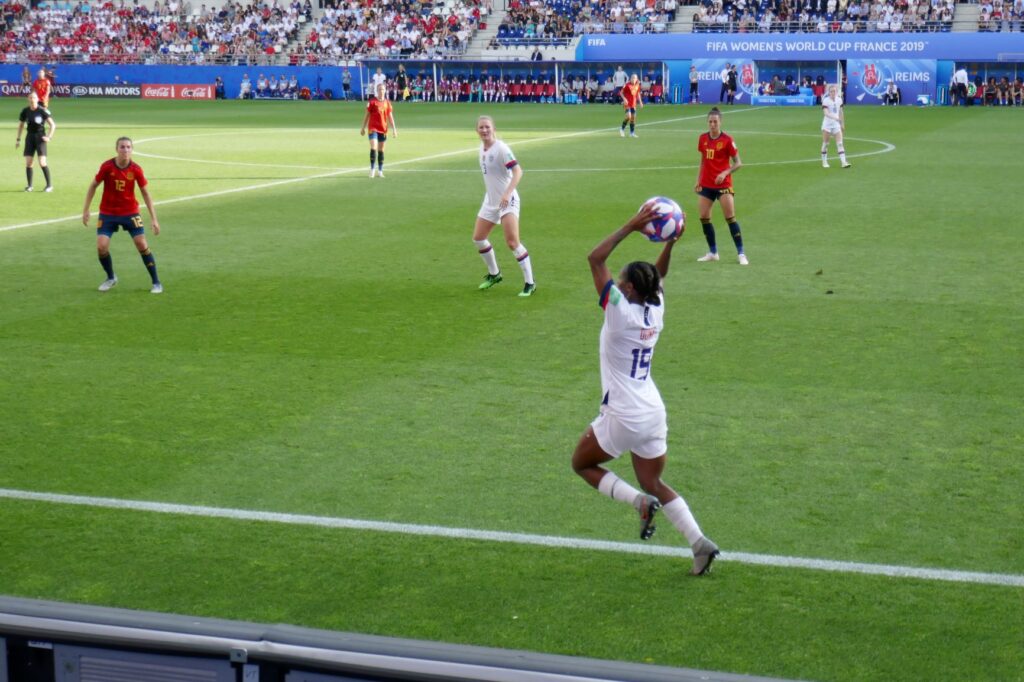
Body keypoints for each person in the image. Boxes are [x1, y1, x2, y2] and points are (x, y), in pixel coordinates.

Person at [571, 206, 720, 576]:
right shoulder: (656, 308)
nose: (617, 282)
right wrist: (669, 244)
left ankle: (639, 502)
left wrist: (631, 226)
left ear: (630, 290)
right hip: (653, 410)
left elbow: (594, 258)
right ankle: (700, 544)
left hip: (623, 413)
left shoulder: (619, 312)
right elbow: (660, 276)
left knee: (582, 464)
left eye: (622, 281)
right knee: (654, 480)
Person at [81, 137, 162, 294]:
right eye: (122, 147)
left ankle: (156, 282)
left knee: (141, 244)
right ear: (116, 149)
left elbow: (145, 193)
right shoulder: (107, 167)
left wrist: (154, 219)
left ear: (132, 149)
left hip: (130, 212)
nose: (125, 150)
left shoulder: (136, 170)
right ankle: (111, 277)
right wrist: (86, 210)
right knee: (101, 246)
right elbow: (93, 186)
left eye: (128, 147)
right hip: (108, 213)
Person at [472, 116, 535, 297]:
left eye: (487, 127)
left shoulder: (501, 148)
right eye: (481, 128)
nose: (484, 130)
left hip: (508, 200)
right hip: (491, 201)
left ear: (494, 128)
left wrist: (507, 193)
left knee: (512, 242)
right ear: (477, 131)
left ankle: (530, 283)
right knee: (478, 238)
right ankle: (495, 274)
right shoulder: (481, 149)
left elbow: (518, 171)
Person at [694, 107, 748, 265]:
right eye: (710, 122)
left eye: (715, 122)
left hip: (723, 185)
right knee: (704, 217)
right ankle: (713, 252)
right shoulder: (702, 138)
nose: (712, 125)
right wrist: (698, 180)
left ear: (720, 122)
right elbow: (703, 160)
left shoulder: (727, 140)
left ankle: (741, 253)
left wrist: (725, 173)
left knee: (730, 218)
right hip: (706, 184)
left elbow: (739, 163)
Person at [16, 92, 55, 192]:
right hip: (29, 137)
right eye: (30, 97)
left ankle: (49, 185)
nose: (32, 99)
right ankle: (29, 186)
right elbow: (20, 125)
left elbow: (53, 125)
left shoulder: (42, 111)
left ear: (37, 99)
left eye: (34, 97)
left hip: (40, 137)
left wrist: (49, 137)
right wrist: (18, 139)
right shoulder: (25, 111)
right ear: (28, 99)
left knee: (42, 162)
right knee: (29, 163)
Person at [360, 83, 397, 178]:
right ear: (377, 91)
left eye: (383, 89)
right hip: (373, 128)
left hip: (383, 129)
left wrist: (394, 129)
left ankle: (380, 171)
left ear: (385, 90)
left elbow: (390, 117)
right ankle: (372, 169)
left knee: (381, 150)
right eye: (380, 89)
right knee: (374, 147)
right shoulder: (372, 102)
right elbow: (366, 115)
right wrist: (363, 127)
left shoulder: (387, 103)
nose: (381, 91)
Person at [821, 84, 851, 169]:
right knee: (826, 144)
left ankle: (844, 162)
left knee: (840, 143)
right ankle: (824, 161)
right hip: (827, 125)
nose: (833, 93)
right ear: (829, 92)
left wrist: (842, 124)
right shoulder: (826, 101)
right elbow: (826, 113)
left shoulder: (839, 100)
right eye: (831, 91)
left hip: (836, 125)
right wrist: (835, 117)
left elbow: (841, 112)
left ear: (836, 92)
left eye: (834, 91)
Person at [619, 73, 642, 138]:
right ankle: (622, 129)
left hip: (633, 104)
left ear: (637, 79)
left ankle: (632, 133)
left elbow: (638, 93)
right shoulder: (627, 85)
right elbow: (621, 93)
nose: (634, 79)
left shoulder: (637, 85)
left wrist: (640, 102)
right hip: (627, 104)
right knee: (628, 116)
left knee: (633, 118)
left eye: (635, 78)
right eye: (633, 78)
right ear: (630, 78)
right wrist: (624, 99)